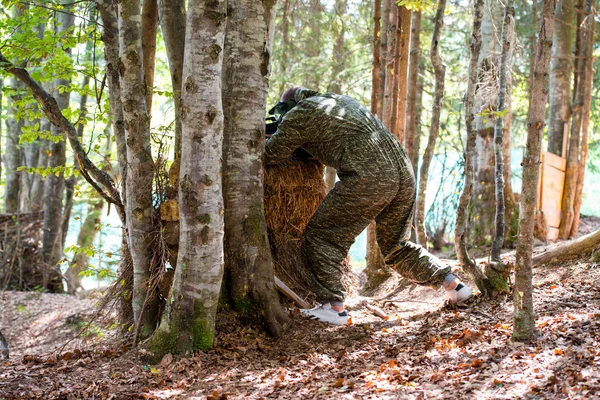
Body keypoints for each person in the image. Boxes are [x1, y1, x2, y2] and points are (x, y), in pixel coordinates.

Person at [265, 87, 472, 325]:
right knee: (397, 246)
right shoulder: (337, 101)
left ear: (291, 104)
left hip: (370, 175)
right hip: (403, 171)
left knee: (322, 237)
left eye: (283, 110)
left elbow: (271, 153)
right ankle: (454, 285)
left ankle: (333, 308)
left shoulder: (301, 113)